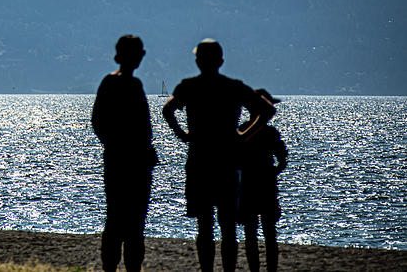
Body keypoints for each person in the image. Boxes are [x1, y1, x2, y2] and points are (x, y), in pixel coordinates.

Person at [162, 39, 274, 272]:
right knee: (228, 227)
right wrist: (244, 134)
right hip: (227, 162)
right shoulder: (232, 87)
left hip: (200, 161)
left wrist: (182, 134)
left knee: (205, 225)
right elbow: (267, 109)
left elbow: (167, 109)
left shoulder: (188, 86)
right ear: (221, 61)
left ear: (197, 61)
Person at [91, 35, 158, 272]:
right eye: (138, 52)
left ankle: (124, 266)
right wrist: (125, 149)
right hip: (128, 163)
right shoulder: (118, 84)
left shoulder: (125, 84)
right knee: (126, 221)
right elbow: (100, 122)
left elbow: (99, 122)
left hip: (126, 161)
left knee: (124, 221)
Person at [239, 89, 287, 272]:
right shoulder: (270, 133)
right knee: (269, 233)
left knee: (250, 233)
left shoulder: (242, 130)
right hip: (266, 185)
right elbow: (282, 160)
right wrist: (273, 173)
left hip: (247, 186)